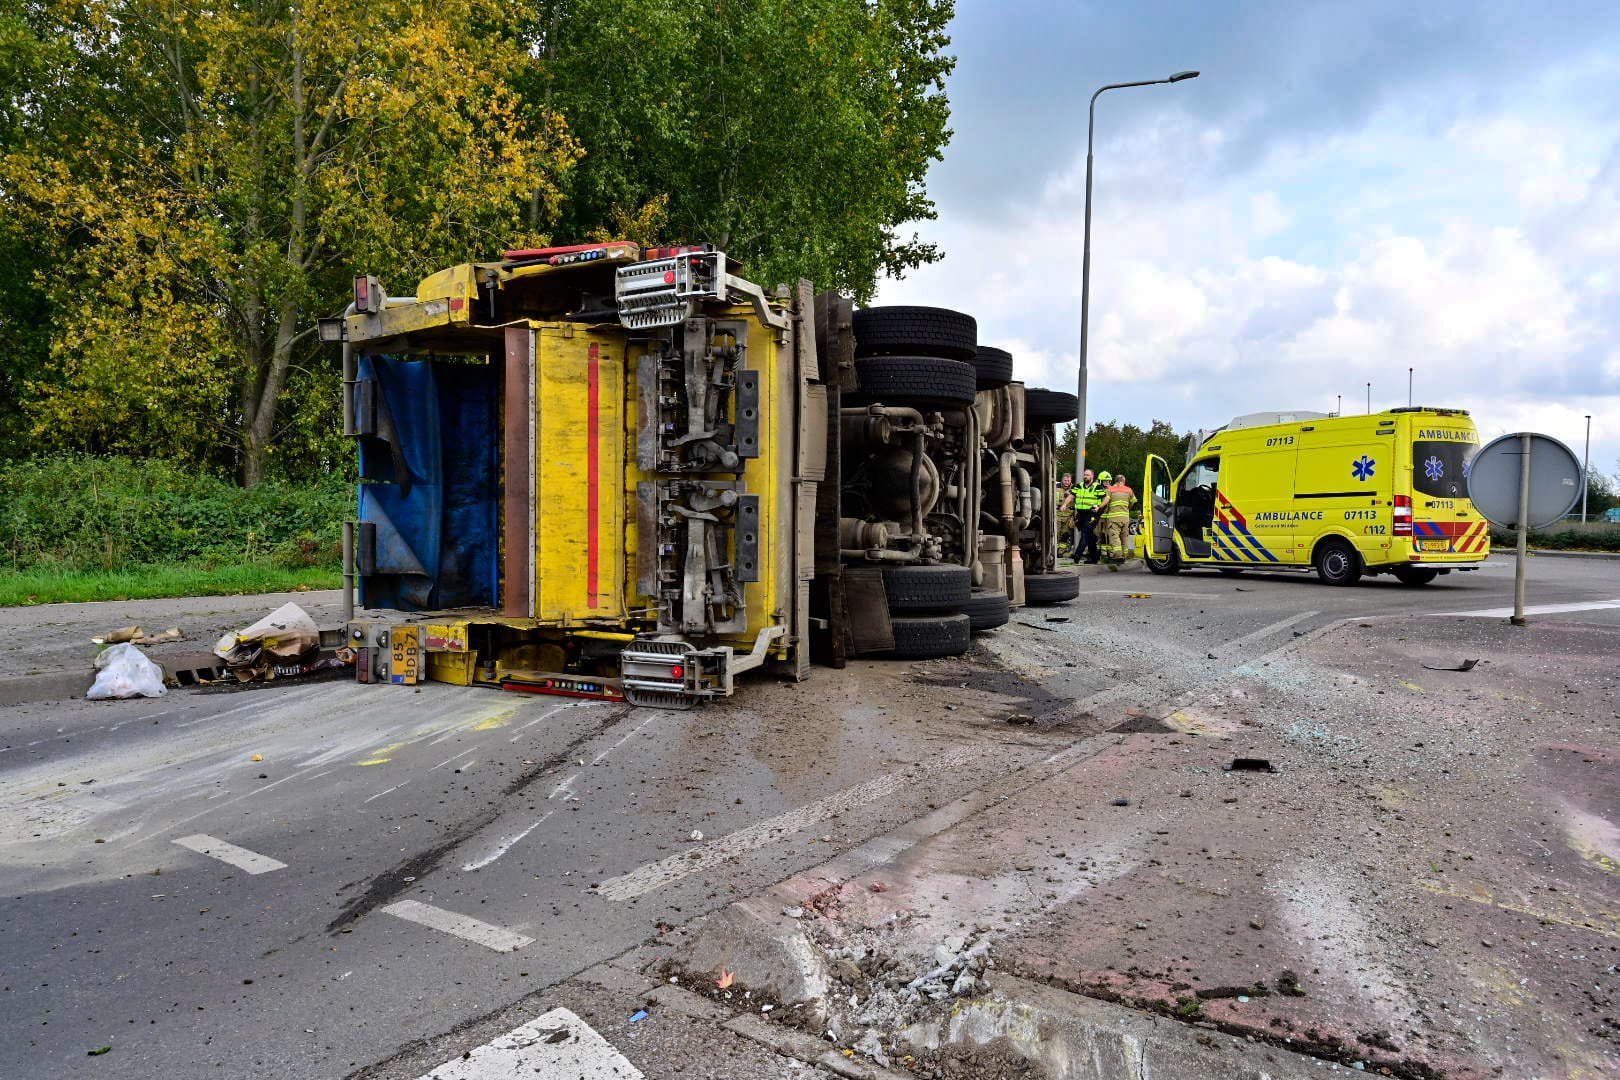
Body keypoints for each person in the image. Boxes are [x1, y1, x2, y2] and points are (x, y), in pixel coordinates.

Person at [1098, 471, 1138, 567]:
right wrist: (1127, 508)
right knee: (1124, 537)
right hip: (1125, 517)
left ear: (1115, 481)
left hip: (1114, 518)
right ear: (1123, 481)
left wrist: (1099, 507)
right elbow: (1133, 502)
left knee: (1114, 537)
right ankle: (1125, 555)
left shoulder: (1110, 489)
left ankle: (1118, 556)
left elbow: (1106, 501)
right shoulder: (1129, 490)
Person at [1073, 468, 1105, 564]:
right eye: (1084, 475)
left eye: (1087, 475)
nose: (1085, 476)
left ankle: (1078, 554)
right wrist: (1064, 504)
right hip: (1081, 513)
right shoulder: (1079, 486)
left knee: (1085, 532)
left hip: (1092, 514)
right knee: (1089, 535)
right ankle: (1094, 557)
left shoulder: (1097, 487)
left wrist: (1099, 507)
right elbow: (1071, 495)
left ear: (1092, 476)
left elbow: (1106, 498)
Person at [1056, 473, 1076, 556]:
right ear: (1062, 480)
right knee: (1056, 533)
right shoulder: (1056, 487)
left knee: (1065, 534)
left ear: (1071, 480)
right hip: (1057, 515)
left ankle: (1061, 551)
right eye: (1065, 480)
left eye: (1068, 480)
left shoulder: (1074, 489)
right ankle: (1054, 549)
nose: (1067, 482)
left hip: (1068, 516)